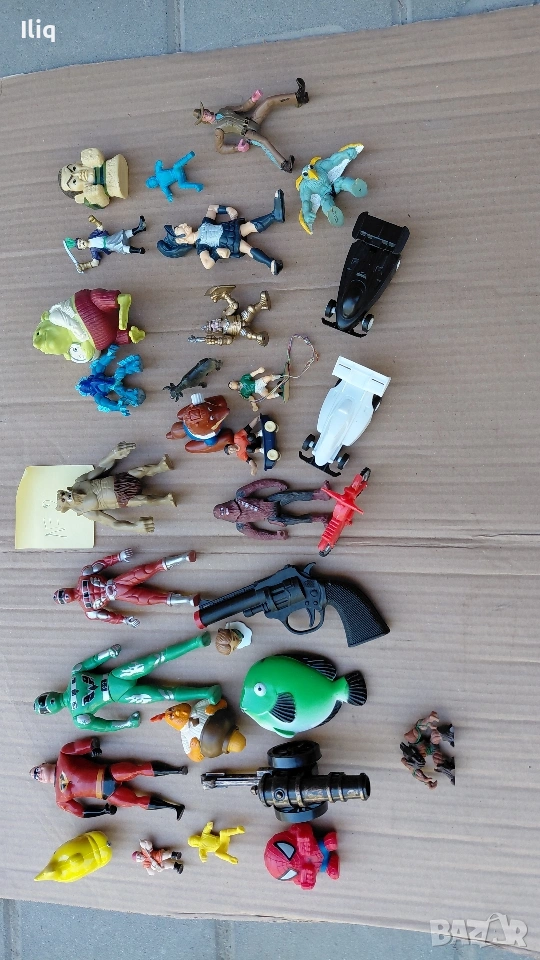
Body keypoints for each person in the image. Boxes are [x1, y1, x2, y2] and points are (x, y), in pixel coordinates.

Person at [33, 635, 221, 732]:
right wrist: (127, 723)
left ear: (47, 693)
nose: (49, 702)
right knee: (164, 693)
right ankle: (206, 692)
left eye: (44, 700)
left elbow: (93, 661)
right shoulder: (78, 717)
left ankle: (196, 642)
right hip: (122, 695)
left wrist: (109, 653)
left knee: (155, 660)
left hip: (116, 677)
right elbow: (104, 726)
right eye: (45, 706)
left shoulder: (75, 674)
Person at [31, 737, 186, 819]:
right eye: (36, 777)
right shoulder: (60, 799)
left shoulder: (63, 755)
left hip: (108, 773)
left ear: (43, 764)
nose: (38, 774)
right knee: (136, 801)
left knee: (137, 769)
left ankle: (177, 770)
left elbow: (84, 745)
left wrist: (92, 747)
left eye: (36, 770)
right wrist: (103, 811)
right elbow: (81, 812)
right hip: (108, 794)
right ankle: (173, 807)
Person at [52, 548, 199, 625]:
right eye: (62, 599)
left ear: (63, 589)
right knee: (151, 599)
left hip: (118, 582)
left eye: (61, 594)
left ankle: (183, 557)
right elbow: (107, 617)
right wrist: (124, 620)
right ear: (66, 603)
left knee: (146, 569)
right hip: (121, 595)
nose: (64, 596)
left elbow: (101, 564)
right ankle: (187, 600)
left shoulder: (84, 576)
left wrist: (119, 557)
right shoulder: (88, 610)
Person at [193, 79, 309, 172]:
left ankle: (298, 97)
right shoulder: (218, 129)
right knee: (264, 141)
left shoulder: (224, 110)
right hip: (247, 133)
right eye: (204, 116)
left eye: (205, 112)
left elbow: (243, 108)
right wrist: (237, 148)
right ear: (204, 121)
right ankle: (284, 165)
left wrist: (253, 99)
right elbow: (220, 148)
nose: (206, 114)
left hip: (253, 121)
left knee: (268, 102)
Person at [56, 441, 174, 532]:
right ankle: (165, 500)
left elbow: (101, 468)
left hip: (118, 481)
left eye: (62, 494)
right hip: (120, 499)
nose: (65, 496)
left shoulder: (79, 482)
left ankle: (160, 467)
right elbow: (113, 523)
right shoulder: (86, 511)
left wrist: (112, 454)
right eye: (63, 499)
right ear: (67, 506)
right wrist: (134, 527)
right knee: (145, 500)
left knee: (141, 470)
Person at [157, 191, 285, 275]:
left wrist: (227, 209)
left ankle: (275, 215)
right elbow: (207, 264)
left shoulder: (204, 225)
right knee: (248, 249)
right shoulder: (201, 247)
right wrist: (216, 253)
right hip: (229, 242)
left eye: (180, 225)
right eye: (180, 228)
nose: (183, 224)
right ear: (182, 240)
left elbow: (212, 208)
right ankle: (270, 263)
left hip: (231, 229)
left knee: (250, 226)